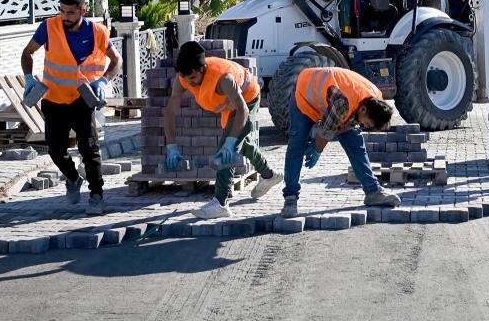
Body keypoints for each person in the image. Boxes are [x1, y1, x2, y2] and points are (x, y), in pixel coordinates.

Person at [21, 0, 121, 216]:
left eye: (71, 12)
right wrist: (28, 78)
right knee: (56, 151)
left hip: (83, 100)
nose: (65, 16)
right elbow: (28, 52)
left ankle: (96, 195)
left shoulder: (98, 31)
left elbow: (117, 60)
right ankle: (73, 178)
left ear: (82, 11)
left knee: (89, 148)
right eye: (62, 11)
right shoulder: (49, 27)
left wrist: (104, 81)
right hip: (54, 99)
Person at [165, 42, 282, 219]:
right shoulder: (183, 78)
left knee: (226, 151)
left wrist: (229, 143)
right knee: (241, 144)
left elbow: (242, 110)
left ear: (202, 69)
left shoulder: (223, 78)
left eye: (193, 78)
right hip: (229, 105)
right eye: (185, 78)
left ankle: (220, 203)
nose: (191, 83)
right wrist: (171, 146)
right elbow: (170, 111)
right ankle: (270, 175)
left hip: (247, 99)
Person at [281, 66, 401, 217]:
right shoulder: (343, 103)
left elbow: (335, 127)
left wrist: (318, 145)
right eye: (367, 123)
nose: (365, 126)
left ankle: (373, 191)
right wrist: (317, 149)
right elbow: (326, 131)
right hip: (305, 95)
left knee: (355, 144)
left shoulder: (375, 98)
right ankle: (290, 198)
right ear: (363, 110)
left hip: (333, 99)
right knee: (296, 145)